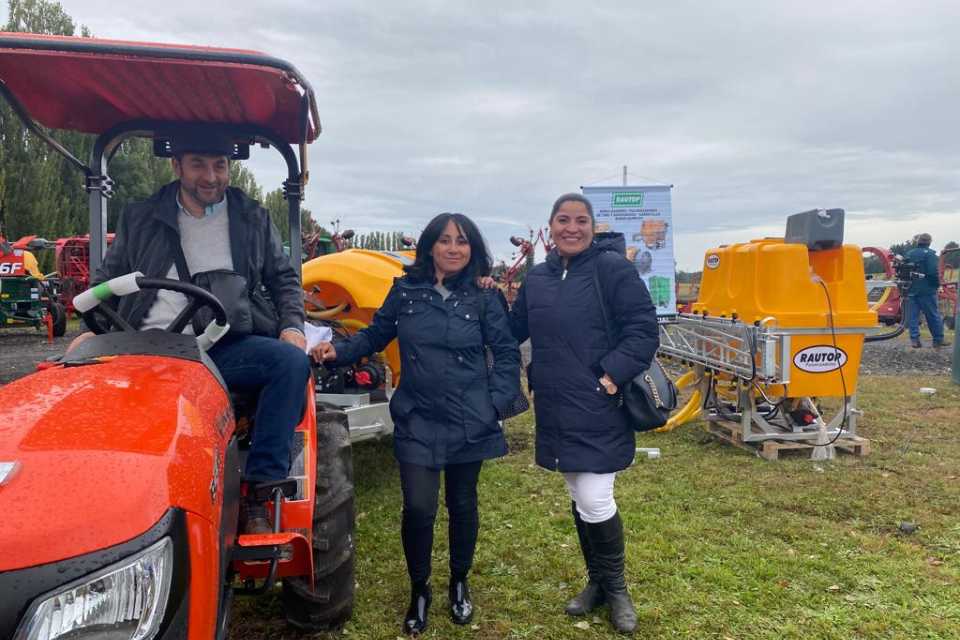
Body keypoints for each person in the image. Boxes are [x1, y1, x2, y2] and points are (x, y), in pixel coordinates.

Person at [70, 127, 311, 534]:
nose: (211, 176)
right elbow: (109, 278)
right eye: (199, 164)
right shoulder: (142, 215)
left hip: (222, 347)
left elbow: (284, 280)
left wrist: (292, 327)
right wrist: (88, 331)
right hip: (145, 346)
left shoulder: (252, 216)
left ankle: (260, 488)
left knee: (289, 363)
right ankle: (89, 495)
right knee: (72, 380)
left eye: (220, 165)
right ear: (176, 165)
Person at [313, 213, 520, 635]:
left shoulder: (484, 297)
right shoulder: (405, 291)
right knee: (420, 508)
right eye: (444, 240)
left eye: (462, 241)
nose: (453, 248)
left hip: (470, 419)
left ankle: (459, 582)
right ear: (429, 247)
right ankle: (419, 588)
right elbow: (374, 336)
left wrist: (496, 404)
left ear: (472, 248)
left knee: (463, 505)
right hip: (418, 416)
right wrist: (337, 350)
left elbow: (506, 352)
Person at [508, 193, 659, 634]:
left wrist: (611, 375)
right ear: (550, 226)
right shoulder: (537, 279)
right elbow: (512, 328)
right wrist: (480, 297)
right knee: (579, 494)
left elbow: (643, 328)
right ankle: (596, 583)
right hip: (555, 405)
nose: (571, 228)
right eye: (562, 220)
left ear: (592, 227)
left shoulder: (612, 269)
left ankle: (616, 589)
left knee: (595, 498)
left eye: (580, 221)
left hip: (599, 402)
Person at [906, 233, 950, 348]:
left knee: (913, 316)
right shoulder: (930, 255)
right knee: (933, 315)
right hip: (926, 290)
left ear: (918, 242)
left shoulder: (909, 254)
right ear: (929, 242)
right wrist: (937, 285)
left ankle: (914, 340)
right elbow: (932, 272)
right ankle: (938, 339)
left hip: (911, 289)